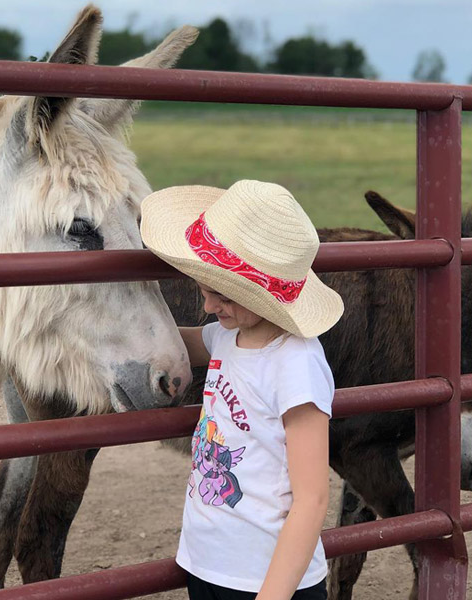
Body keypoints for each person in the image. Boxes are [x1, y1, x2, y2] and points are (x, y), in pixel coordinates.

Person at [141, 180, 344, 600]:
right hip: (209, 564)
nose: (209, 306)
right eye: (205, 289)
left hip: (269, 579)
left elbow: (312, 498)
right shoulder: (226, 336)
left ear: (268, 294)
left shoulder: (296, 364)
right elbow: (180, 342)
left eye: (223, 296)